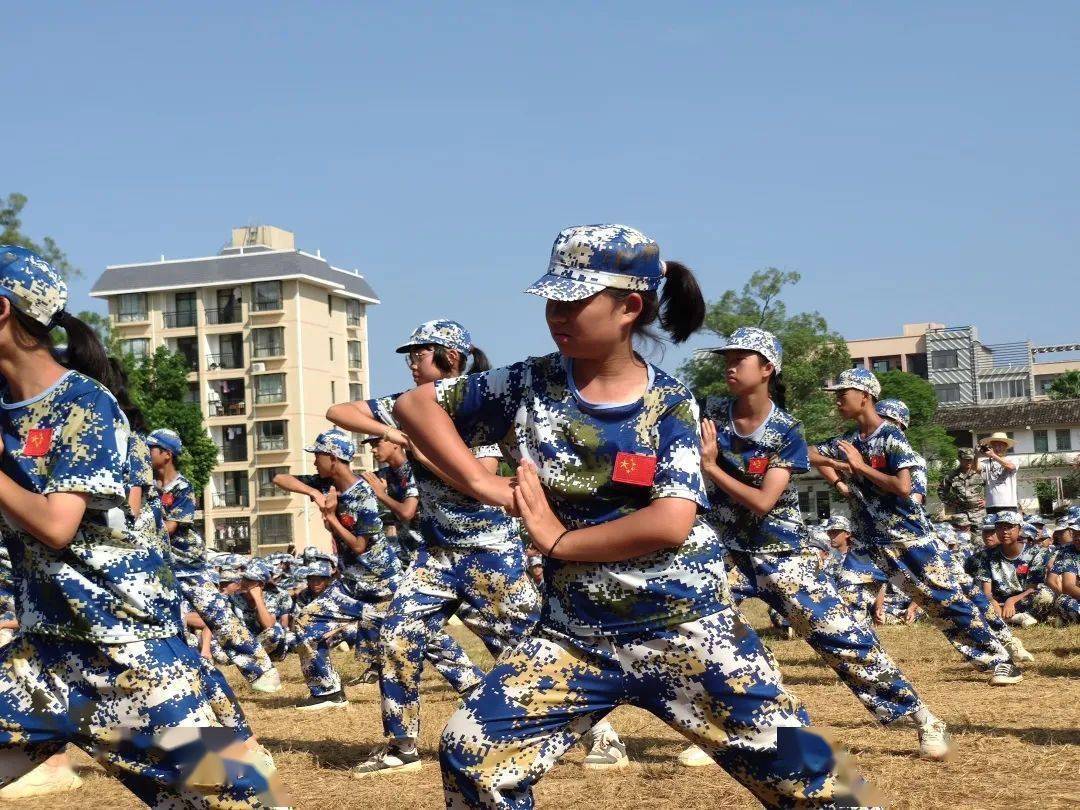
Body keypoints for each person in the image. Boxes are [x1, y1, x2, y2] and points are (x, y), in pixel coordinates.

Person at [394, 224, 871, 808]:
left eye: (574, 300)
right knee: (472, 752)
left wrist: (558, 541)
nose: (556, 314)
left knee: (823, 787)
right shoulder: (529, 382)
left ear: (630, 308)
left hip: (686, 625)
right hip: (576, 635)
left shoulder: (668, 403)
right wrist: (481, 483)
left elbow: (670, 521)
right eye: (551, 300)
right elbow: (414, 405)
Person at [0, 246, 285, 807]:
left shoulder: (84, 404)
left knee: (244, 798)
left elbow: (57, 525)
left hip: (130, 652)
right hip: (44, 654)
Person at [683, 328, 946, 766]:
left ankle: (922, 718)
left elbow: (764, 502)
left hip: (782, 552)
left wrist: (711, 467)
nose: (729, 366)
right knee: (709, 640)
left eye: (740, 358)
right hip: (726, 551)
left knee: (841, 639)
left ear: (767, 369)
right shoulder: (709, 411)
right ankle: (728, 728)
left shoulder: (786, 430)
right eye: (726, 358)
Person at [327, 320, 571, 776]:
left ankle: (601, 736)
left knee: (530, 649)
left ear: (450, 357)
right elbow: (337, 410)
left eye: (419, 355)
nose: (411, 364)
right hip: (436, 555)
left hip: (489, 553)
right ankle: (402, 745)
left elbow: (481, 479)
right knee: (396, 635)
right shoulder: (408, 405)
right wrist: (397, 432)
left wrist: (421, 450)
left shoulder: (480, 404)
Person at [810, 367, 1021, 686]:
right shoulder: (849, 441)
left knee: (946, 601)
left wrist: (860, 468)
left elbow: (904, 487)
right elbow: (808, 453)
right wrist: (840, 468)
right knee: (847, 598)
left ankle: (999, 659)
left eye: (843, 394)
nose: (837, 400)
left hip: (907, 538)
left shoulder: (891, 437)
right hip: (869, 542)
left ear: (864, 396)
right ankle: (865, 667)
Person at [272, 429, 483, 711]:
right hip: (351, 586)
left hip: (382, 584)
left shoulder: (364, 496)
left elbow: (360, 546)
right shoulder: (325, 484)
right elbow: (279, 478)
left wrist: (330, 517)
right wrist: (313, 493)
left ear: (333, 458)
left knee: (422, 633)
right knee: (306, 622)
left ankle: (473, 685)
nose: (313, 462)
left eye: (318, 456)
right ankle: (327, 692)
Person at [147, 427, 282, 693]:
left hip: (188, 566)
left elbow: (170, 527)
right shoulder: (147, 487)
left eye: (150, 449)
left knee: (218, 616)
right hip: (160, 565)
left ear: (166, 454)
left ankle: (260, 670)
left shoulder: (182, 487)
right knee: (166, 620)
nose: (145, 454)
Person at [977, 512, 1056, 626]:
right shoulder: (987, 555)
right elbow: (987, 591)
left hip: (1023, 599)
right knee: (976, 599)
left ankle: (1004, 618)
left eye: (1010, 527)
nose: (1004, 532)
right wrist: (992, 602)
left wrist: (1012, 600)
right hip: (999, 602)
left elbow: (1032, 587)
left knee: (1045, 594)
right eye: (1000, 527)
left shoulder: (1036, 553)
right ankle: (1014, 618)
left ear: (1020, 530)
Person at [362, 435, 422, 566]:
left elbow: (407, 513)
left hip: (425, 552)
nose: (373, 450)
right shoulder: (386, 474)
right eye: (371, 446)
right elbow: (352, 482)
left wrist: (381, 494)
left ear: (395, 442)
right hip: (405, 554)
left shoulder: (415, 470)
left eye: (377, 444)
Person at [938, 449, 985, 525]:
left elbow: (991, 487)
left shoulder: (979, 473)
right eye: (966, 459)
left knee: (979, 532)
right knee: (962, 532)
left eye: (970, 459)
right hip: (960, 513)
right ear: (960, 459)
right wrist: (950, 502)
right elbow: (941, 491)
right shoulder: (952, 475)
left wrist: (986, 501)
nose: (968, 462)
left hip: (978, 513)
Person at [977, 432, 1019, 514]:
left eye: (1000, 445)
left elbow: (1010, 467)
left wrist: (993, 455)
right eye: (995, 446)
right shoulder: (986, 462)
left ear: (1006, 447)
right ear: (991, 447)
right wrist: (976, 455)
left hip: (1009, 504)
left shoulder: (1012, 459)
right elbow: (976, 469)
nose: (997, 448)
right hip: (991, 505)